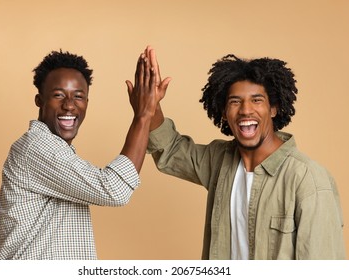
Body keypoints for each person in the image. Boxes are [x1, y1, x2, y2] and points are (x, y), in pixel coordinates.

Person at [146, 48, 345, 259]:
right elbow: (170, 149)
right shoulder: (219, 161)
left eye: (257, 100)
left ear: (274, 109)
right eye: (235, 101)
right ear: (224, 112)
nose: (245, 110)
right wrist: (150, 107)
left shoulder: (309, 180)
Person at [0, 48, 163, 259]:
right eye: (58, 95)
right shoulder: (36, 147)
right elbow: (114, 189)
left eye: (78, 96)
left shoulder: (58, 151)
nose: (69, 105)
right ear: (39, 100)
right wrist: (143, 115)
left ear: (87, 103)